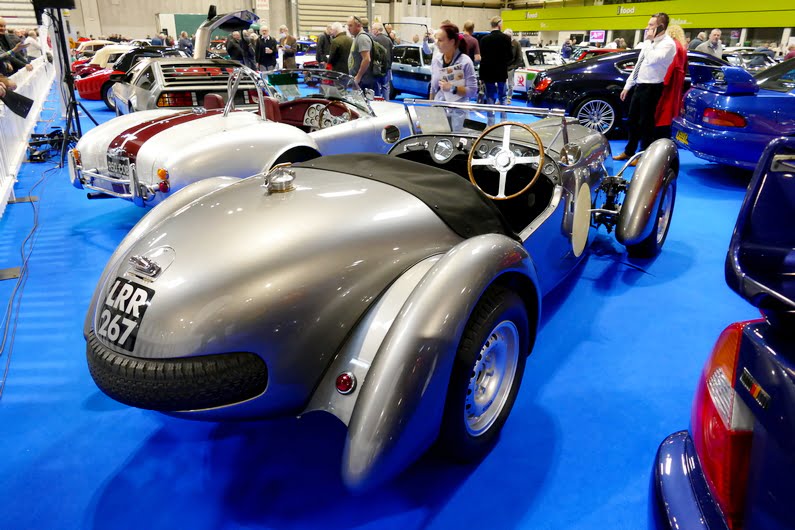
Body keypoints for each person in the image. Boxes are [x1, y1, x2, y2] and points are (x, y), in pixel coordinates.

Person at [613, 13, 676, 165]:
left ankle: (643, 155)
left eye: (651, 25)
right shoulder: (649, 44)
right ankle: (629, 152)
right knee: (632, 121)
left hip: (653, 87)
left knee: (646, 123)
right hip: (640, 85)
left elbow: (654, 59)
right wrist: (628, 85)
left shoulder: (668, 44)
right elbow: (639, 64)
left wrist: (648, 42)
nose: (647, 28)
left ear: (661, 27)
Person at [430, 23, 477, 130]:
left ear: (452, 42)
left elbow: (473, 91)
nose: (437, 43)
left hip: (458, 113)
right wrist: (430, 109)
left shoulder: (465, 62)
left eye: (440, 40)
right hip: (439, 111)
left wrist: (452, 88)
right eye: (436, 40)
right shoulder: (436, 60)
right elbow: (433, 88)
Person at [654, 24, 688, 140]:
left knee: (664, 109)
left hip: (671, 80)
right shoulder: (682, 47)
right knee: (672, 109)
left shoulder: (673, 45)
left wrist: (664, 81)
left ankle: (660, 135)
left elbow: (671, 65)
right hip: (677, 80)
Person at [479, 16, 512, 107]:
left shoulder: (484, 39)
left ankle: (490, 120)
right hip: (501, 72)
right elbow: (510, 56)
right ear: (499, 25)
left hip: (488, 72)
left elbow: (482, 57)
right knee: (503, 97)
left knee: (490, 97)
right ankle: (504, 119)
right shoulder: (506, 39)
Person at [346, 16, 375, 91]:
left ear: (358, 26)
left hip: (363, 81)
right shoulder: (357, 37)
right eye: (348, 25)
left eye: (350, 25)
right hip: (358, 80)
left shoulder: (362, 38)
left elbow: (367, 59)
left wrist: (358, 76)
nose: (348, 28)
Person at [371, 22, 393, 98]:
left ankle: (377, 103)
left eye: (373, 29)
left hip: (376, 68)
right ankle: (387, 103)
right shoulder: (389, 40)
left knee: (376, 87)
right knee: (386, 87)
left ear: (377, 30)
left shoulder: (373, 40)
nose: (372, 31)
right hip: (387, 68)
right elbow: (392, 54)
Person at [504, 29, 523, 104]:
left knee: (510, 84)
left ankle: (509, 98)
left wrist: (514, 66)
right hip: (502, 67)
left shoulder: (516, 43)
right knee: (501, 84)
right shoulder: (503, 43)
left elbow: (519, 57)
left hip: (511, 67)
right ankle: (502, 98)